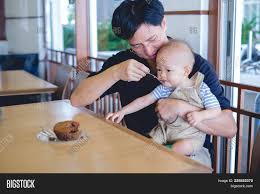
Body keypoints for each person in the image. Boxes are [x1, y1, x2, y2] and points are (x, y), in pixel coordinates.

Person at [70, 0, 236, 157]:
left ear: (163, 24)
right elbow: (77, 99)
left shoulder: (193, 64)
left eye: (152, 39)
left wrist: (181, 108)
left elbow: (229, 128)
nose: (148, 51)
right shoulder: (123, 63)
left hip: (191, 150)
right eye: (137, 46)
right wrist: (115, 73)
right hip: (143, 145)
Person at [106, 40, 221, 166]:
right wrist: (122, 111)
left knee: (182, 147)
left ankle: (167, 155)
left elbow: (216, 110)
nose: (161, 75)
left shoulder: (200, 88)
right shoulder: (164, 88)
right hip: (165, 132)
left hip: (190, 136)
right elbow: (144, 100)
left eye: (168, 70)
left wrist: (200, 116)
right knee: (147, 145)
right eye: (159, 70)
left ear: (186, 71)